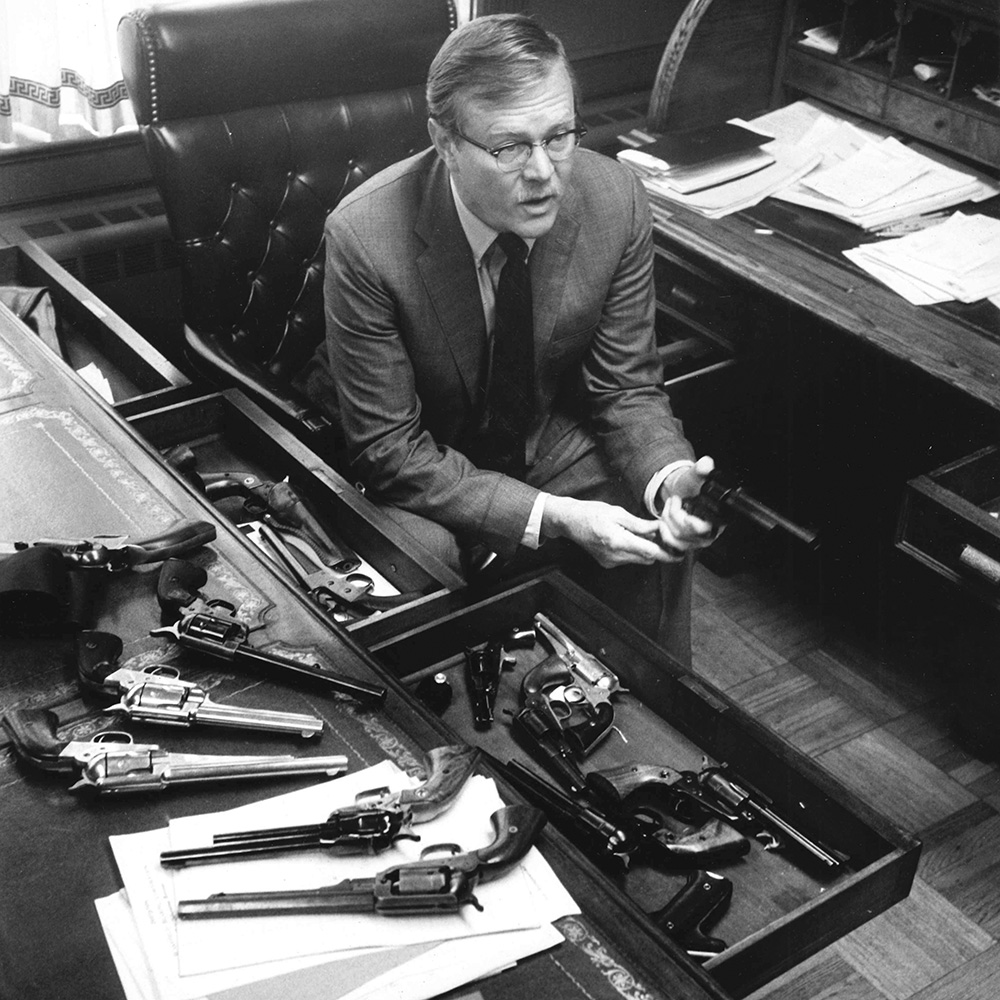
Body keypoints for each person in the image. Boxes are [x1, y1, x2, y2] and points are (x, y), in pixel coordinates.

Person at [315, 13, 717, 665]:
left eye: (559, 136)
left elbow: (625, 387)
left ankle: (665, 727)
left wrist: (667, 478)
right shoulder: (366, 238)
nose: (544, 173)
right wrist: (548, 516)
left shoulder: (614, 199)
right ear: (444, 143)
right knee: (423, 561)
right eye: (509, 147)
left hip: (537, 431)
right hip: (421, 452)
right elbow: (389, 449)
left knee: (646, 524)